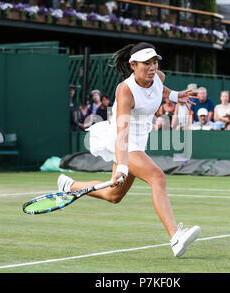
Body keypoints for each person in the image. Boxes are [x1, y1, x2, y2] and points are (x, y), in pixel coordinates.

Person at [57, 42, 201, 257]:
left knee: (113, 195)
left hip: (138, 142)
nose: (152, 68)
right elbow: (122, 131)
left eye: (154, 62)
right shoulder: (125, 90)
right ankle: (175, 237)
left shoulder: (158, 77)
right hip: (122, 139)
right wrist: (123, 165)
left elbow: (160, 90)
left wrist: (174, 96)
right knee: (157, 177)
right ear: (133, 65)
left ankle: (70, 186)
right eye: (146, 63)